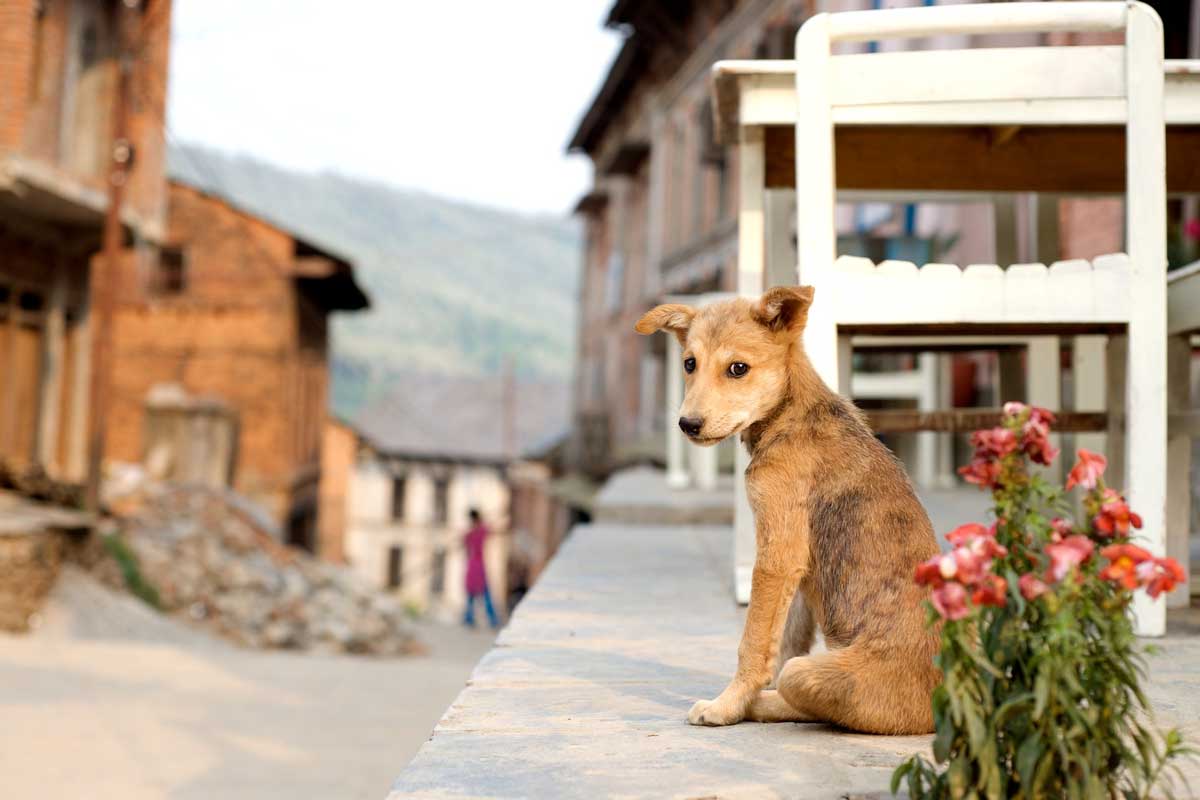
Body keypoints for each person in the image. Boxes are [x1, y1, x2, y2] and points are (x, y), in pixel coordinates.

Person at [462, 509, 499, 628]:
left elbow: (465, 548)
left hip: (472, 564)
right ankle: (492, 620)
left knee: (471, 595)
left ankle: (469, 618)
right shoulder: (481, 530)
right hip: (479, 565)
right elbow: (493, 529)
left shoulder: (470, 533)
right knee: (485, 594)